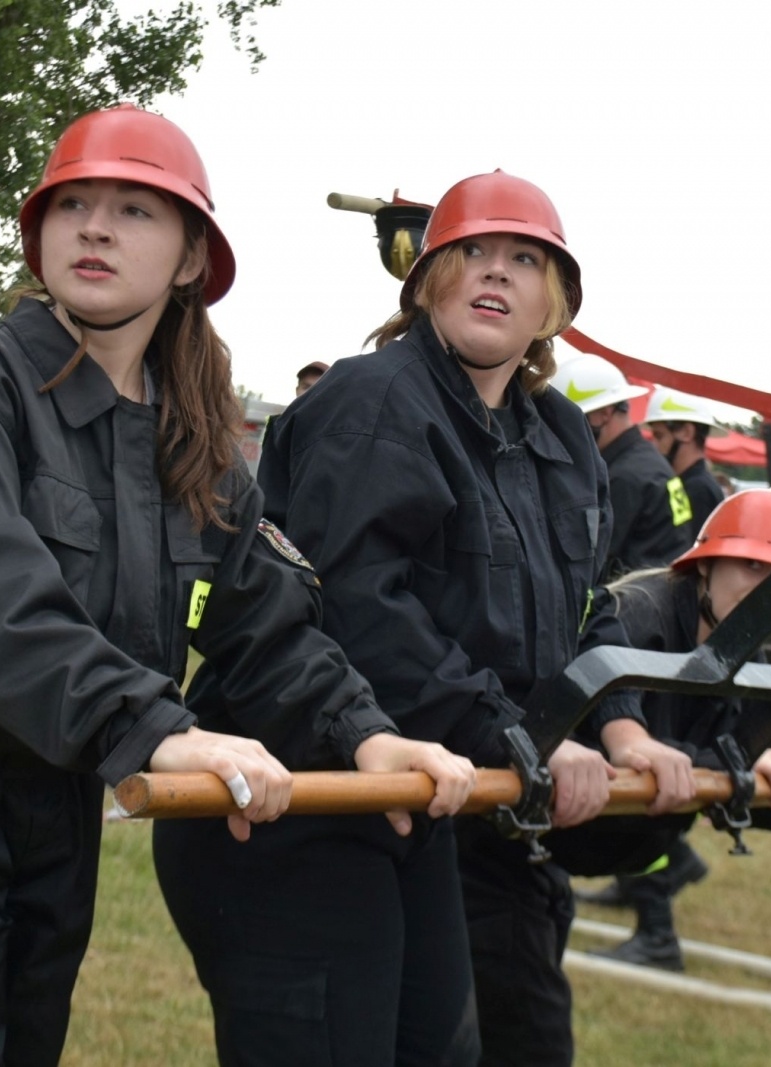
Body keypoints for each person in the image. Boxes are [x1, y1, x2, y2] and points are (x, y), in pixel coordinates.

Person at [0, 104, 471, 1067]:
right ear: (40, 235)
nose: (96, 226)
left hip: (51, 813)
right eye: (72, 203)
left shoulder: (188, 432)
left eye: (134, 209)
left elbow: (270, 627)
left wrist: (365, 732)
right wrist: (155, 727)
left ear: (193, 257)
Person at [221, 169, 695, 1067]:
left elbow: (588, 606)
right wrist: (522, 735)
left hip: (432, 803)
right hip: (308, 793)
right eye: (473, 251)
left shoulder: (559, 437)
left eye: (525, 259)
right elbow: (360, 607)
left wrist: (622, 724)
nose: (497, 272)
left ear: (554, 300)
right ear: (428, 277)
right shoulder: (372, 401)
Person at [572, 487, 771, 971]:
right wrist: (730, 765)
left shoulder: (745, 650)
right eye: (752, 566)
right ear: (705, 564)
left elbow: (735, 750)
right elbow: (598, 743)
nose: (766, 588)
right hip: (518, 854)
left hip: (601, 851)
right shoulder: (635, 621)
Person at [550, 353, 694, 577]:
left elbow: (592, 562)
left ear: (604, 414)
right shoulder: (644, 462)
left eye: (570, 423)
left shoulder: (622, 477)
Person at [643, 387, 725, 539]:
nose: (653, 445)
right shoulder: (688, 483)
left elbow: (686, 551)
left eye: (659, 436)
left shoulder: (698, 489)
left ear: (687, 433)